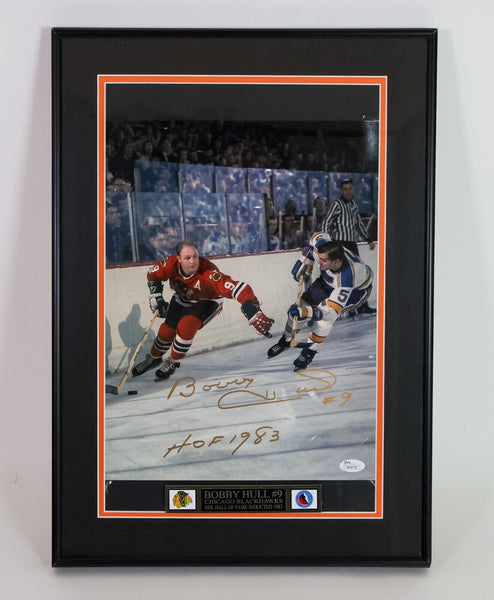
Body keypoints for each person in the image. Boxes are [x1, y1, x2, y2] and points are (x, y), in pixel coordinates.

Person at [132, 240, 274, 381]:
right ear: (178, 259)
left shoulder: (208, 272)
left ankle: (172, 362)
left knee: (187, 325)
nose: (192, 261)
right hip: (182, 298)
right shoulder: (170, 264)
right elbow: (152, 275)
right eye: (187, 258)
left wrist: (252, 309)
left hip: (208, 301)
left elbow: (237, 288)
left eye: (195, 256)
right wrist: (156, 296)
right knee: (166, 331)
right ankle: (153, 359)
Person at [267, 233, 374, 371]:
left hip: (355, 291)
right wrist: (305, 261)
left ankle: (309, 351)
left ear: (336, 262)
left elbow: (330, 313)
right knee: (301, 305)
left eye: (323, 261)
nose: (319, 263)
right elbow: (316, 238)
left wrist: (305, 312)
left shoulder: (347, 277)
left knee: (324, 320)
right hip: (328, 281)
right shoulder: (325, 250)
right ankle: (285, 341)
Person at [322, 178, 376, 314]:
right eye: (345, 189)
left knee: (359, 273)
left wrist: (368, 239)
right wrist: (326, 242)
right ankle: (345, 307)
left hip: (352, 243)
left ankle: (361, 305)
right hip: (341, 244)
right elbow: (326, 222)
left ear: (353, 190)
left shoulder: (354, 205)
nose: (347, 192)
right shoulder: (337, 204)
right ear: (341, 191)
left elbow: (359, 224)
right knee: (345, 275)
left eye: (350, 189)